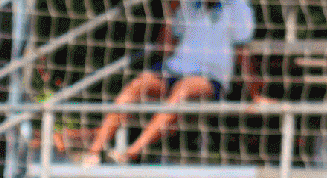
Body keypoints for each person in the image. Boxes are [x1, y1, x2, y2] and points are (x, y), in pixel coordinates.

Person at [82, 0, 264, 166]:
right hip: (175, 69)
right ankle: (93, 153)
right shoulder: (188, 5)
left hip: (210, 77)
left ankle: (130, 153)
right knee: (138, 84)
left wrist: (255, 94)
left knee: (182, 90)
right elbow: (165, 47)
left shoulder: (239, 8)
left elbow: (244, 53)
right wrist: (171, 10)